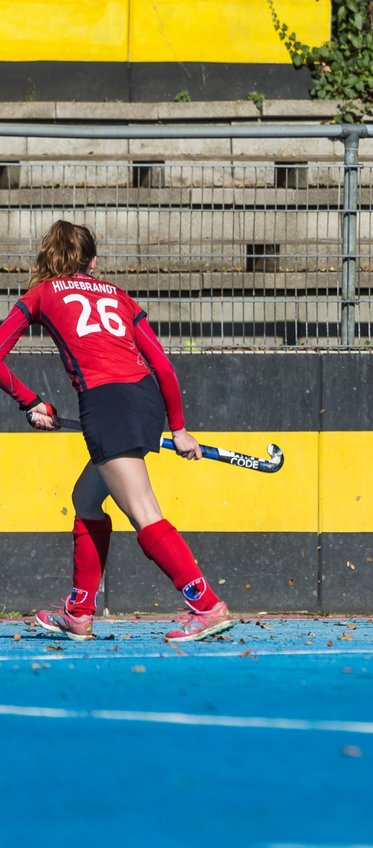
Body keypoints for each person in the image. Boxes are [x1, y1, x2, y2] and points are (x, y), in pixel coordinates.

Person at [0, 220, 234, 643]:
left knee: (143, 511)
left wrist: (31, 401)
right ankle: (78, 611)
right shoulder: (121, 296)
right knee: (86, 499)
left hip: (106, 404)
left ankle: (207, 605)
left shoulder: (40, 294)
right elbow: (162, 365)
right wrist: (178, 427)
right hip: (144, 400)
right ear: (93, 261)